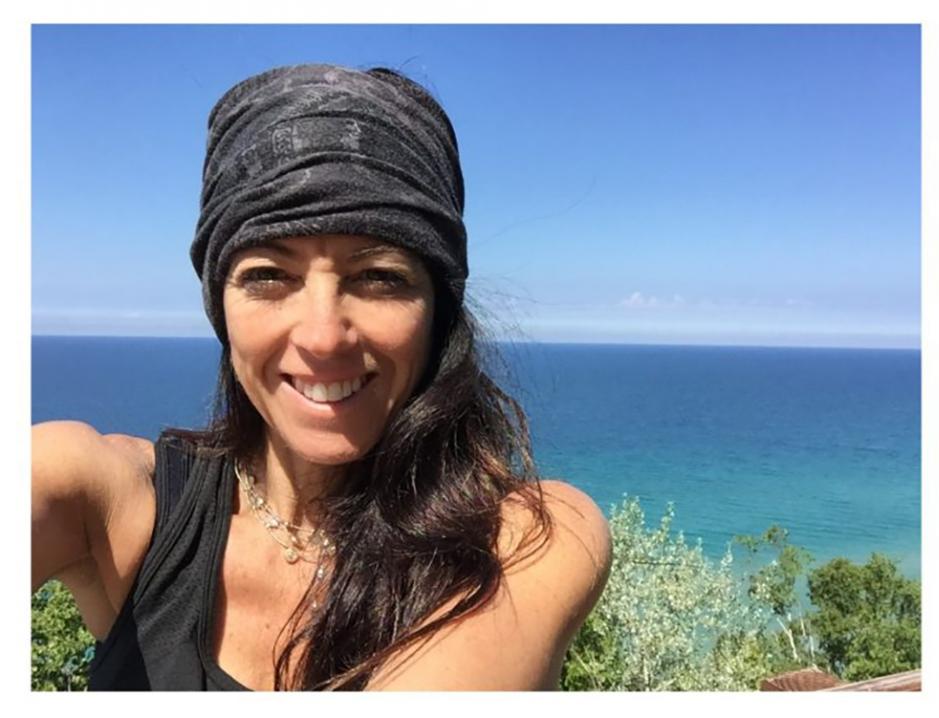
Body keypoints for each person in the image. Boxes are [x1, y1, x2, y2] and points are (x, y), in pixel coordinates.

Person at [31, 63, 611, 691]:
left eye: (379, 277)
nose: (323, 336)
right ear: (220, 305)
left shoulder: (523, 540)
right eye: (268, 276)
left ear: (436, 311)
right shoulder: (108, 502)